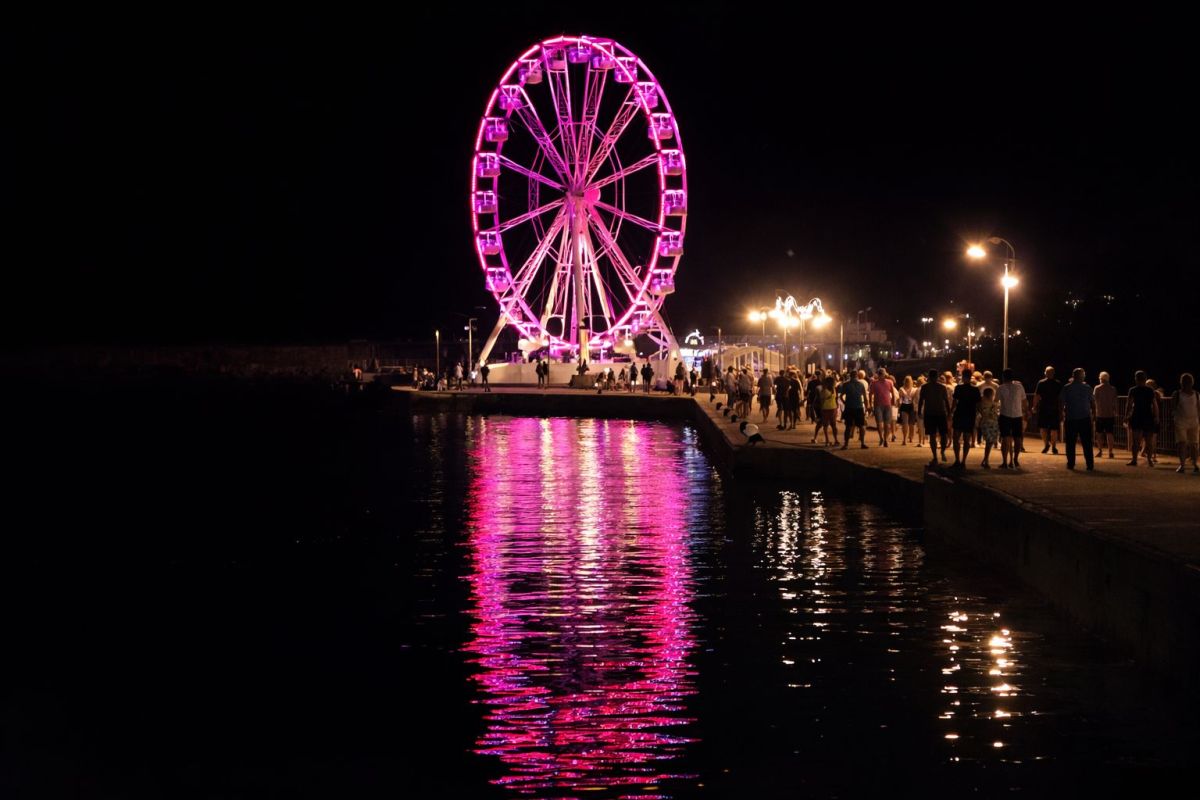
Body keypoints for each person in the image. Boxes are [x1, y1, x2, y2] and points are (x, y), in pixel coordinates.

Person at [1062, 367, 1096, 471]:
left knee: (1070, 443)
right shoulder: (1088, 388)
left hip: (1071, 418)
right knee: (1087, 443)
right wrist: (1094, 414)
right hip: (1084, 418)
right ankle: (1090, 465)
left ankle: (1071, 464)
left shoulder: (1067, 388)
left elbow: (1061, 402)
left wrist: (1061, 414)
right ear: (1082, 376)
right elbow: (1092, 403)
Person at [996, 369, 1029, 469]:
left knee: (1005, 438)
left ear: (1003, 377)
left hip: (1005, 415)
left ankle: (1005, 462)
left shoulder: (1000, 388)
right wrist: (1026, 412)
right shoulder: (1019, 387)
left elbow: (995, 401)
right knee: (1018, 438)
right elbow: (1024, 401)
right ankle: (1015, 459)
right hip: (1017, 415)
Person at [918, 369, 951, 467]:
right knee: (943, 434)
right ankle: (941, 452)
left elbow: (921, 401)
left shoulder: (925, 387)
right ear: (936, 377)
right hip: (940, 413)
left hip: (930, 413)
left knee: (933, 436)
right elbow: (946, 401)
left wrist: (919, 411)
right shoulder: (942, 387)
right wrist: (949, 413)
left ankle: (936, 456)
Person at [950, 368, 981, 469]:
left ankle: (957, 460)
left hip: (959, 414)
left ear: (963, 377)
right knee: (967, 439)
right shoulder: (975, 390)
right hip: (970, 415)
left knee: (956, 438)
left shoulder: (959, 388)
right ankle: (963, 461)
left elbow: (954, 402)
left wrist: (950, 412)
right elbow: (978, 404)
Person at [1125, 370, 1158, 467]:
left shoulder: (1133, 390)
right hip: (1148, 416)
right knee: (1149, 440)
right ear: (1145, 379)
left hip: (1137, 416)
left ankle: (1134, 460)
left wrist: (1126, 415)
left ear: (1136, 379)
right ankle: (1150, 461)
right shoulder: (1150, 390)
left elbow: (1129, 404)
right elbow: (1154, 405)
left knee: (1135, 440)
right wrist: (1156, 416)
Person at [1171, 373, 1200, 474]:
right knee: (1182, 443)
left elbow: (1198, 408)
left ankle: (1194, 464)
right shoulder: (1177, 394)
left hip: (1193, 421)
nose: (1186, 384)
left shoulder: (1196, 394)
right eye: (1185, 382)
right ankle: (1183, 465)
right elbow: (1173, 407)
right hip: (1181, 421)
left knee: (1194, 444)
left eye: (1188, 382)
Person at [1033, 366, 1062, 454]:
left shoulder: (1041, 383)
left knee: (1043, 428)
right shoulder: (1058, 383)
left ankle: (1047, 445)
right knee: (1054, 429)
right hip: (1054, 408)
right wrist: (1062, 409)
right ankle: (1053, 447)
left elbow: (1037, 396)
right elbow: (1061, 398)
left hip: (1044, 408)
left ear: (1045, 373)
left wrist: (1034, 406)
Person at [838, 369, 869, 449]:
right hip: (859, 406)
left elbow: (841, 396)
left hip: (849, 407)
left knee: (848, 426)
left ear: (850, 376)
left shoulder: (846, 385)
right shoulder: (861, 385)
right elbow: (865, 398)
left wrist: (845, 403)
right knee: (861, 426)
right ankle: (862, 443)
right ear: (857, 376)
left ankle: (846, 444)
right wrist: (867, 407)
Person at [1093, 371, 1118, 458]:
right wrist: (1116, 411)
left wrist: (1093, 412)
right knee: (1110, 433)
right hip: (1110, 414)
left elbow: (1094, 400)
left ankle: (1100, 450)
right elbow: (1115, 402)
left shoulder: (1097, 388)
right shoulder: (1113, 389)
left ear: (1101, 379)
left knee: (1099, 433)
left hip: (1100, 414)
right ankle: (1110, 451)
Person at [869, 368, 896, 447]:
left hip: (887, 405)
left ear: (885, 374)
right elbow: (870, 394)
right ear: (878, 374)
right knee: (879, 423)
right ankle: (881, 438)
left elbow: (893, 393)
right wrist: (870, 404)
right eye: (880, 374)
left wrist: (893, 402)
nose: (881, 375)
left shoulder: (889, 382)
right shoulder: (874, 383)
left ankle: (885, 439)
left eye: (882, 374)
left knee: (886, 424)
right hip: (878, 405)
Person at [978, 386, 1000, 468]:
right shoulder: (989, 402)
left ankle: (985, 460)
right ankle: (986, 461)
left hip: (989, 422)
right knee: (989, 442)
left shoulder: (983, 401)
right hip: (990, 423)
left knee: (989, 442)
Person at [814, 374, 838, 445]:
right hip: (833, 408)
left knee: (825, 426)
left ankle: (827, 440)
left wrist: (820, 410)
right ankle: (836, 440)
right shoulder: (833, 390)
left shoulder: (824, 391)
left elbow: (821, 401)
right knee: (833, 425)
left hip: (825, 409)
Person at [898, 375, 917, 445]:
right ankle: (906, 438)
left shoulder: (914, 389)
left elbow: (915, 399)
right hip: (906, 406)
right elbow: (900, 399)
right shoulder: (902, 389)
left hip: (909, 406)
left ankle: (909, 438)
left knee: (910, 424)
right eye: (907, 381)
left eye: (908, 381)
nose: (908, 382)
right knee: (906, 423)